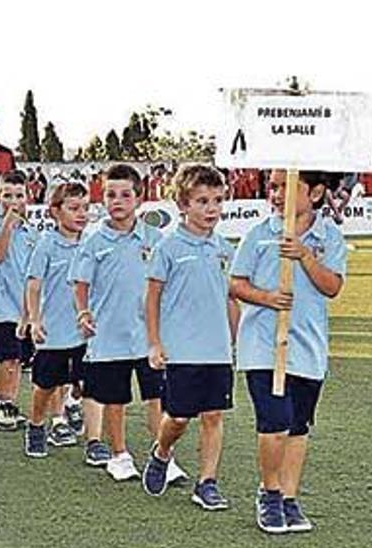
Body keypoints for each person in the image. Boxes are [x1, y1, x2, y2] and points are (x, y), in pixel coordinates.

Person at [230, 169, 346, 535]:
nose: (275, 194)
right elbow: (235, 283)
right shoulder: (259, 233)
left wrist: (305, 256)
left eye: (285, 186)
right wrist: (266, 298)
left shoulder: (331, 237)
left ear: (314, 193)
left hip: (308, 348)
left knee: (297, 426)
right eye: (273, 186)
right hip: (263, 345)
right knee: (274, 422)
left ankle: (290, 498)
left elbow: (332, 287)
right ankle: (269, 492)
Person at [69, 164, 185, 483]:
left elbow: (169, 283)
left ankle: (163, 455)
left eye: (124, 195)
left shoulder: (155, 238)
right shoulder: (93, 241)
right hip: (108, 335)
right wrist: (83, 312)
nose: (117, 201)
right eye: (110, 194)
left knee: (156, 398)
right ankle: (119, 454)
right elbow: (79, 283)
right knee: (114, 398)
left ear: (139, 198)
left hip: (149, 335)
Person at [141, 165, 239, 511]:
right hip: (180, 349)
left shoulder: (225, 248)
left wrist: (233, 342)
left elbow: (230, 297)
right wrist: (154, 342)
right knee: (179, 417)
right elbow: (152, 297)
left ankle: (207, 482)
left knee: (214, 416)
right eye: (202, 201)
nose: (211, 209)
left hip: (217, 350)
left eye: (217, 200)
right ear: (183, 204)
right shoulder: (167, 248)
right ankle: (162, 451)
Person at [23, 182, 91, 458]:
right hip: (54, 332)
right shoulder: (46, 245)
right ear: (55, 211)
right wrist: (34, 320)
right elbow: (34, 285)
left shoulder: (92, 243)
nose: (81, 214)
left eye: (85, 208)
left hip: (86, 331)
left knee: (87, 381)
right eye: (74, 208)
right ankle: (37, 426)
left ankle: (74, 406)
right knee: (46, 384)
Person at [0, 172, 37, 430]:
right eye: (7, 195)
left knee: (21, 360)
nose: (13, 201)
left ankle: (13, 403)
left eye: (19, 195)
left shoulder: (33, 233)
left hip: (25, 307)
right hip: (1, 305)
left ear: (28, 197)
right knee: (9, 358)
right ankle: (4, 405)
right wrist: (7, 225)